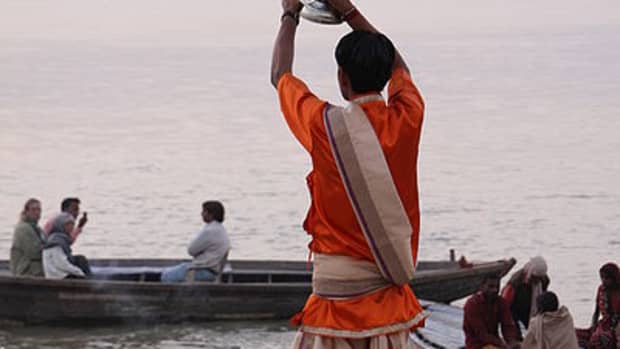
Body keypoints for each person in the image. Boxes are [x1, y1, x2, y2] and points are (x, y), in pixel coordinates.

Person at [271, 0, 426, 346]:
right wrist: (348, 12)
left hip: (333, 306)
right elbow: (400, 64)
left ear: (342, 79)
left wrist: (290, 14)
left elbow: (279, 76)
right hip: (387, 311)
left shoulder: (325, 127)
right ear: (387, 77)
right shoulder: (409, 117)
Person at [161, 201, 230, 283]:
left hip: (202, 270)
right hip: (213, 270)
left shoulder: (209, 231)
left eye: (204, 211)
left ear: (211, 214)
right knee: (177, 269)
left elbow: (191, 250)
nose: (201, 214)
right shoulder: (221, 229)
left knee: (166, 276)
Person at [463, 274, 520, 349]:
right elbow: (481, 334)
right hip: (476, 344)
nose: (495, 290)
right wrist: (502, 344)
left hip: (495, 343)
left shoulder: (501, 302)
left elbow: (507, 325)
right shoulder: (472, 304)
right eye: (491, 286)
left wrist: (511, 341)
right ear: (482, 287)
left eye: (497, 287)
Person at [501, 256, 550, 338]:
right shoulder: (515, 283)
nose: (537, 281)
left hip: (532, 309)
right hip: (514, 310)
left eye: (539, 278)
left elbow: (544, 298)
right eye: (535, 278)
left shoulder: (544, 280)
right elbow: (505, 304)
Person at [576, 263, 620, 349]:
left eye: (607, 278)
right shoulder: (601, 289)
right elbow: (596, 311)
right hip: (602, 325)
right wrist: (593, 326)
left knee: (598, 338)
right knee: (572, 332)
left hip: (616, 328)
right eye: (602, 278)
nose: (603, 280)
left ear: (614, 278)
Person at [42, 213, 91, 279]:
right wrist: (79, 272)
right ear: (60, 225)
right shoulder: (55, 241)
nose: (71, 227)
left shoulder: (62, 239)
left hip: (62, 273)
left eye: (72, 224)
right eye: (68, 224)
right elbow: (62, 264)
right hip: (58, 276)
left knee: (80, 259)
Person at [10, 198, 46, 277]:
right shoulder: (23, 228)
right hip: (26, 272)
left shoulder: (37, 228)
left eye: (39, 210)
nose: (37, 213)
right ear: (26, 212)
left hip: (36, 269)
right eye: (33, 210)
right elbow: (33, 252)